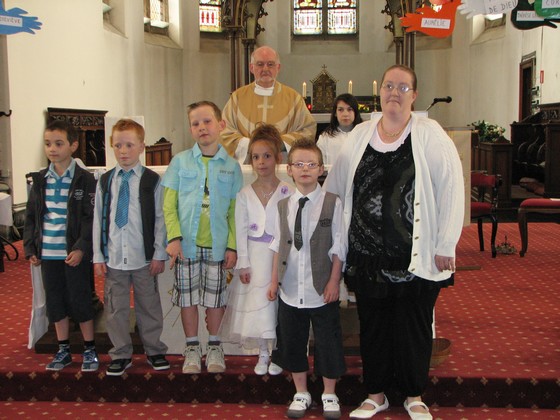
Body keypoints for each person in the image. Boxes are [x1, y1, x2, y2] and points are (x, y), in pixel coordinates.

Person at [324, 65, 464, 420]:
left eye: (403, 87)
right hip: (367, 255)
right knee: (374, 327)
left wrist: (446, 243)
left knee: (412, 325)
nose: (394, 93)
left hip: (413, 254)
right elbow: (336, 187)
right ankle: (376, 395)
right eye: (389, 85)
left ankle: (414, 395)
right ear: (380, 92)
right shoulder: (360, 134)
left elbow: (451, 187)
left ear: (414, 95)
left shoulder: (430, 134)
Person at [267, 139, 346, 420]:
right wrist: (273, 282)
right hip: (290, 287)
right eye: (299, 164)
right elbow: (278, 246)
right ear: (289, 169)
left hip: (321, 288)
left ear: (321, 169)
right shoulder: (283, 205)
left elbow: (339, 247)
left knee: (328, 341)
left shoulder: (333, 203)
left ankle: (329, 393)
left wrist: (334, 282)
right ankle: (301, 392)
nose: (305, 169)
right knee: (292, 340)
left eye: (311, 164)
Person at [162, 101, 243, 374]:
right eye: (195, 123)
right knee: (187, 298)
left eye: (207, 121)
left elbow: (235, 211)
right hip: (186, 245)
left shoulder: (231, 167)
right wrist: (174, 238)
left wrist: (232, 245)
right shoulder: (180, 161)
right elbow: (169, 205)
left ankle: (215, 345)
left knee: (215, 298)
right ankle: (192, 347)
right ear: (190, 129)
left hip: (217, 246)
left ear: (221, 125)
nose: (202, 127)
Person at [92, 119, 169, 376]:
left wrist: (158, 253)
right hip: (114, 258)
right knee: (116, 309)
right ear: (111, 146)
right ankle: (121, 353)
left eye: (129, 145)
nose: (123, 151)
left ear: (141, 147)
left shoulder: (151, 180)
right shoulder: (105, 181)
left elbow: (160, 219)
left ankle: (154, 350)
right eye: (118, 145)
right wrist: (98, 255)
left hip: (143, 257)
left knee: (149, 306)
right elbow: (98, 219)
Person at [219, 124, 294, 375]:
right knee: (259, 306)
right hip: (255, 256)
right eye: (256, 157)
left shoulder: (288, 191)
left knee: (279, 306)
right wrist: (243, 263)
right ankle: (263, 352)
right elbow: (240, 230)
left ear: (278, 158)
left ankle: (279, 353)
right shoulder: (244, 194)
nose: (261, 162)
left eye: (267, 156)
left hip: (280, 257)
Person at [23, 120, 98, 372]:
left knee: (80, 300)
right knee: (55, 302)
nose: (52, 149)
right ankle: (63, 349)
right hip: (48, 252)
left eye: (58, 143)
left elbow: (90, 218)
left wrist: (81, 247)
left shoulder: (84, 179)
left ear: (73, 146)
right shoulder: (40, 180)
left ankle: (89, 349)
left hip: (73, 253)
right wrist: (31, 248)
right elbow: (32, 217)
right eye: (47, 144)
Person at [221, 46, 317, 164]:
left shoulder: (293, 98)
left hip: (281, 165)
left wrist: (281, 144)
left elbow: (307, 129)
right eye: (260, 64)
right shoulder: (237, 98)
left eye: (270, 64)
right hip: (249, 165)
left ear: (278, 67)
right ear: (251, 67)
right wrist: (250, 145)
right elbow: (224, 131)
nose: (265, 69)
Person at [317, 93, 363, 165]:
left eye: (349, 109)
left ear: (355, 112)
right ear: (335, 113)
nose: (345, 114)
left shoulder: (364, 135)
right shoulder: (325, 138)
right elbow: (319, 164)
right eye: (340, 110)